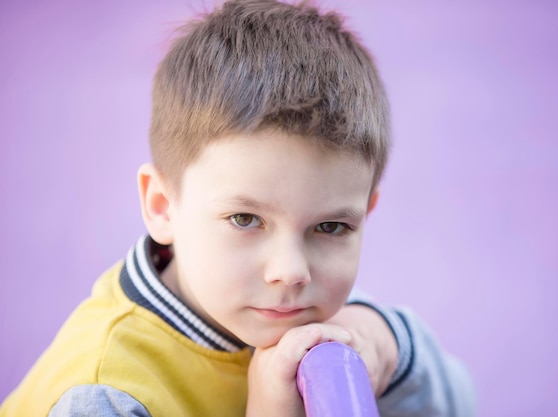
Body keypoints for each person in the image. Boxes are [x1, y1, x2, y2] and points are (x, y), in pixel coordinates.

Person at [0, 1, 475, 416]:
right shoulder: (104, 396)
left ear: (364, 215)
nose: (291, 271)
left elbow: (460, 402)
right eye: (245, 219)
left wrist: (381, 342)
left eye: (330, 226)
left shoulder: (311, 314)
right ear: (163, 206)